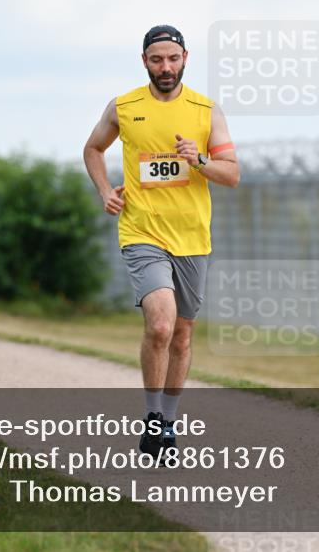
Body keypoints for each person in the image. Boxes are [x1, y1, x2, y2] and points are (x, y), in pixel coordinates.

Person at [83, 25, 239, 458]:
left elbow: (232, 174)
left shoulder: (207, 111)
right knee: (161, 325)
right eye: (156, 60)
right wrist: (105, 190)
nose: (165, 67)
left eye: (172, 59)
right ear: (144, 61)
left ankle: (168, 423)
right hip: (141, 232)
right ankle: (152, 418)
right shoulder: (124, 106)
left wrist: (200, 160)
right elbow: (93, 149)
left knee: (183, 337)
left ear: (185, 58)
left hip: (191, 237)